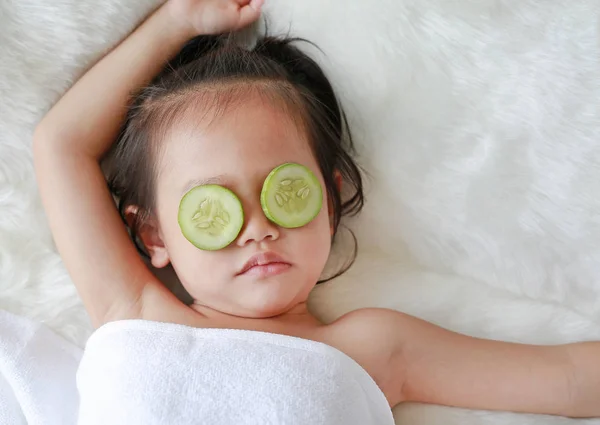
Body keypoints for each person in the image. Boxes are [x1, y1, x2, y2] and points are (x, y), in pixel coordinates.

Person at [33, 0, 599, 422]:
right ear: (153, 233)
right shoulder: (132, 308)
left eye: (287, 193)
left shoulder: (374, 347)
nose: (258, 228)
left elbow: (572, 380)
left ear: (328, 203)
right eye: (212, 209)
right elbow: (61, 145)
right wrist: (176, 19)